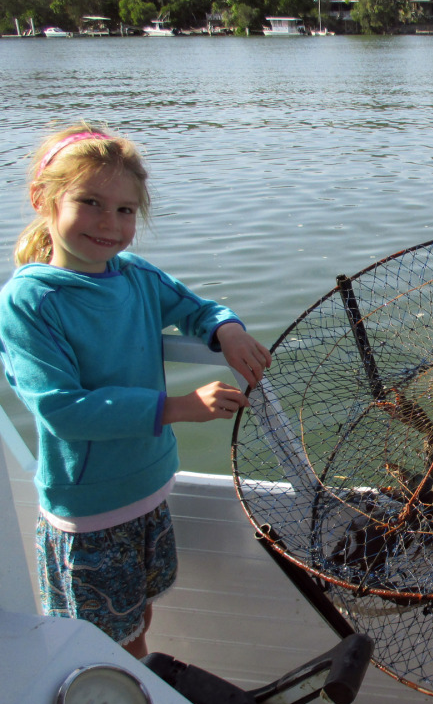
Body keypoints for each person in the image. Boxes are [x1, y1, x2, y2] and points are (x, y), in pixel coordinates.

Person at [0, 123, 273, 659]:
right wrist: (179, 408)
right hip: (89, 514)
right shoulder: (30, 302)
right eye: (91, 202)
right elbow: (62, 409)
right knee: (103, 642)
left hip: (150, 490)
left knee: (141, 611)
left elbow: (196, 308)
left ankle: (142, 682)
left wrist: (228, 329)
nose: (110, 223)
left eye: (125, 210)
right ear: (43, 201)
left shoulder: (137, 276)